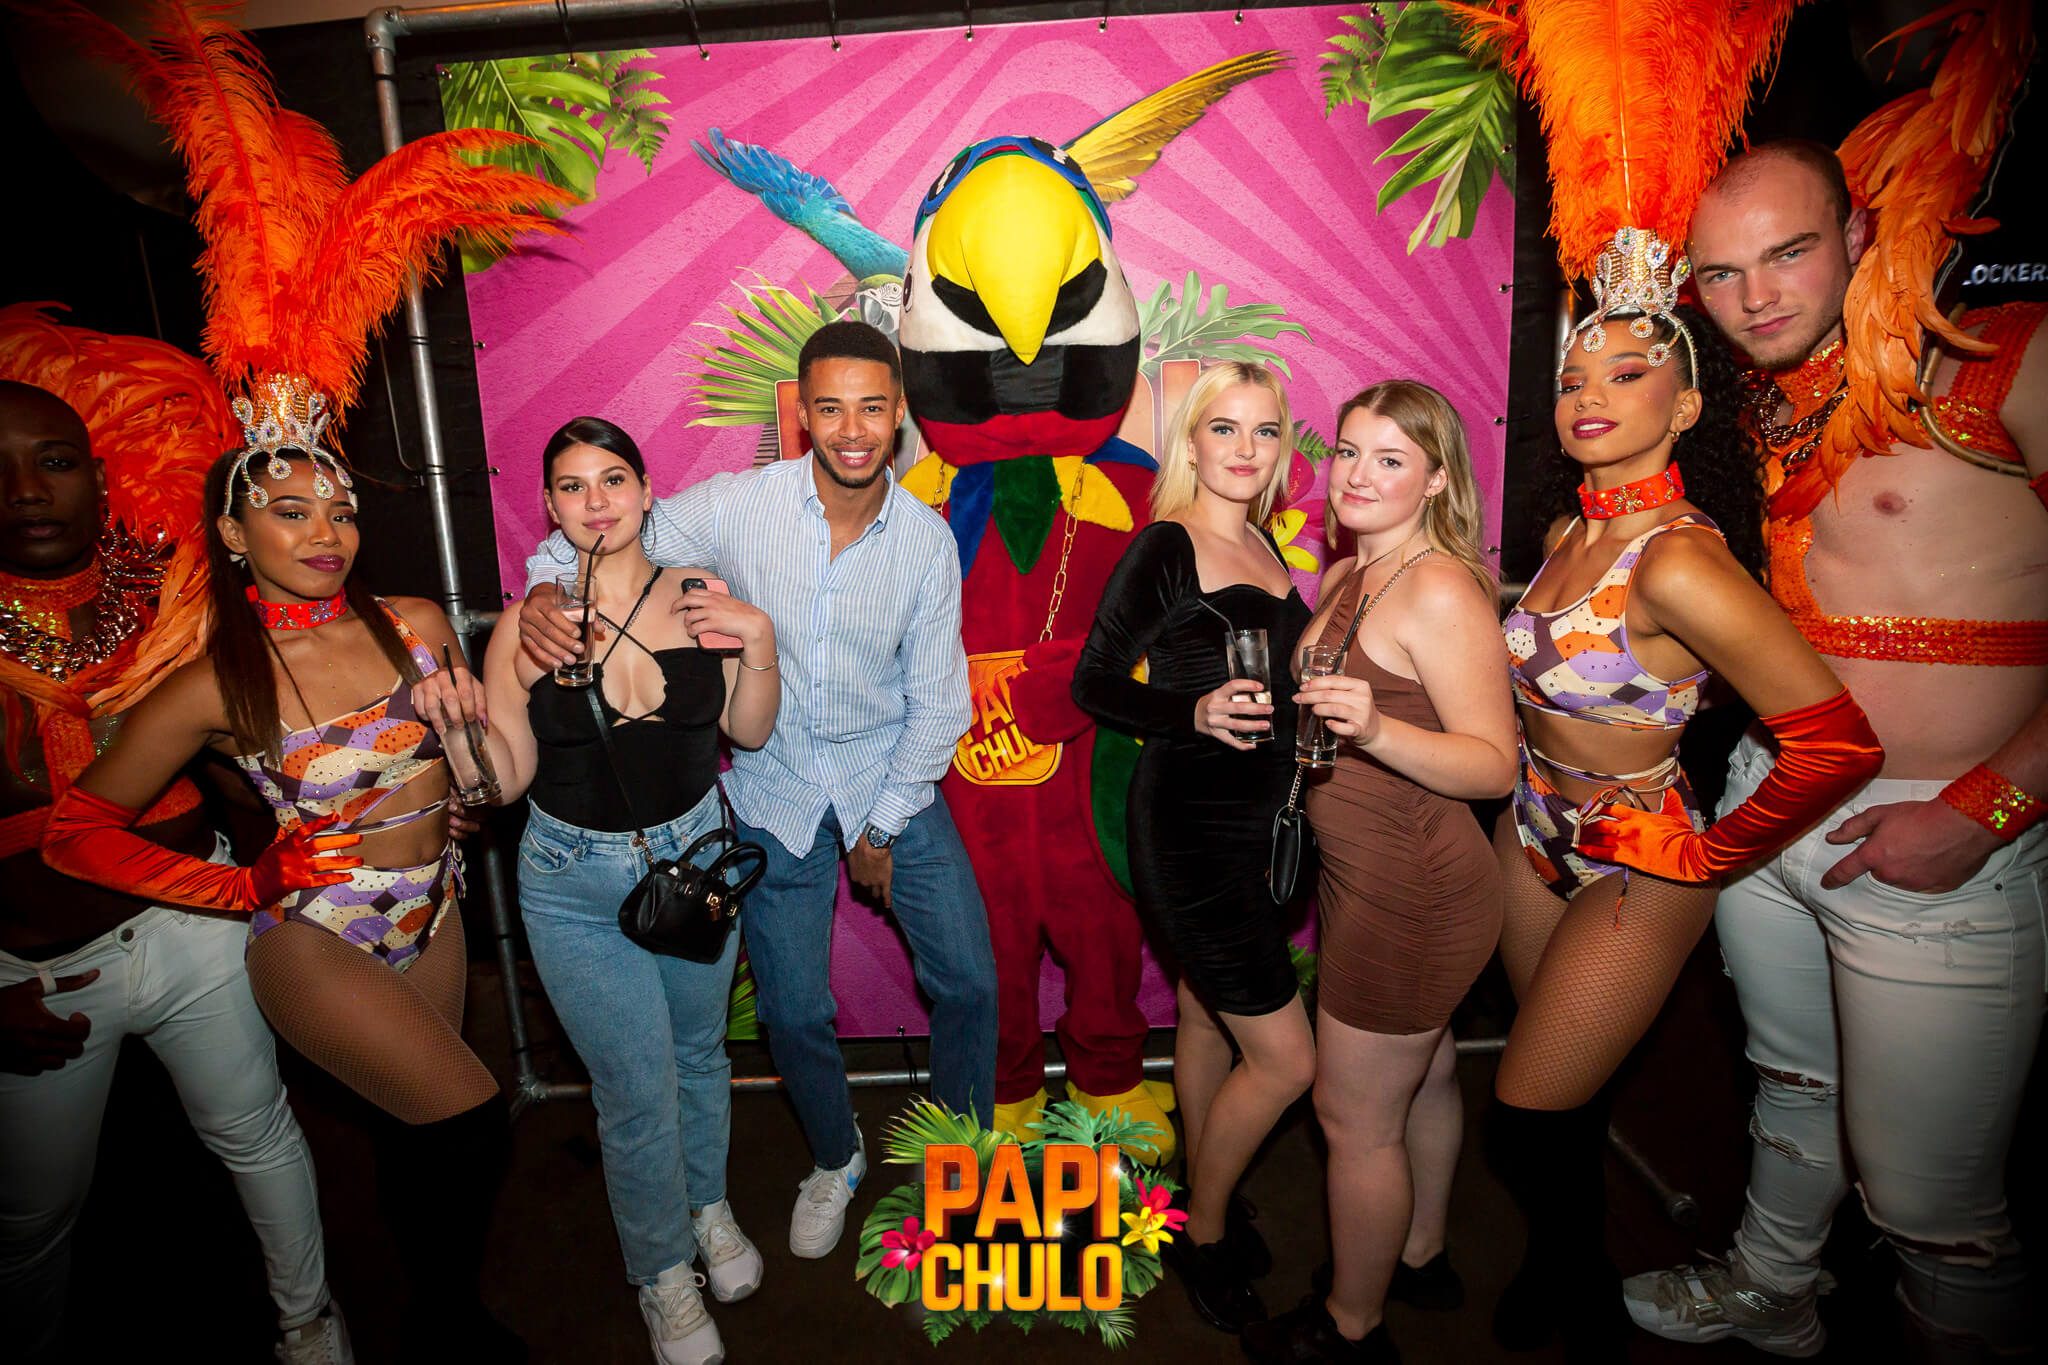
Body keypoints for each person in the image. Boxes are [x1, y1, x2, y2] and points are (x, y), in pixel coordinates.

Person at [1621, 136, 2047, 1360]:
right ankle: (1771, 1289)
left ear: (1858, 234)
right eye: (1718, 273)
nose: (1754, 296)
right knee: (1790, 1090)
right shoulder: (1735, 400)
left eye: (1788, 253)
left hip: (1941, 843)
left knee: (1929, 1207)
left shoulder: (1998, 352)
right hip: (1767, 810)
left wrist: (1985, 811)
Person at [40, 419, 522, 1361]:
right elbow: (75, 832)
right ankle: (439, 1322)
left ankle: (441, 1313)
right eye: (291, 512)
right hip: (319, 936)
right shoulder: (214, 683)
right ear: (233, 533)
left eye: (341, 512)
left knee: (415, 1133)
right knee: (470, 1123)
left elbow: (474, 771)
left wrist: (461, 784)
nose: (326, 534)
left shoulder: (416, 622)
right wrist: (240, 882)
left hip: (434, 906)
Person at [518, 321, 995, 1262]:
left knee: (971, 981)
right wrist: (542, 584)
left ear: (899, 413)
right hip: (776, 787)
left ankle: (958, 1168)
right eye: (831, 408)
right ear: (804, 414)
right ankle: (836, 1155)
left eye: (872, 407)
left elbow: (940, 703)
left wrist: (883, 826)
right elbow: (612, 528)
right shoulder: (741, 505)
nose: (852, 429)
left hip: (891, 777)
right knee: (792, 1010)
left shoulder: (927, 542)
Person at [1490, 265, 1884, 1360]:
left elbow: (1838, 742)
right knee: (1560, 1091)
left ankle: (1583, 1291)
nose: (1588, 395)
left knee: (1522, 1109)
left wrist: (1713, 854)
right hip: (1530, 831)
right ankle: (1564, 1266)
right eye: (1573, 377)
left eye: (1627, 373)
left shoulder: (1676, 560)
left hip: (1636, 862)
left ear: (1686, 405)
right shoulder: (1567, 530)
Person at [414, 417, 778, 1365]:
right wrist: (459, 734)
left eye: (613, 479)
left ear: (648, 492)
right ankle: (660, 1272)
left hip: (693, 866)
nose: (596, 501)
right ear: (549, 506)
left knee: (699, 1054)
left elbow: (750, 730)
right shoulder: (527, 628)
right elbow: (504, 782)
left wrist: (761, 642)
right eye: (572, 486)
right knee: (635, 1088)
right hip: (573, 881)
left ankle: (707, 1207)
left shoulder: (700, 598)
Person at [0, 370, 347, 1364]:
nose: (27, 490)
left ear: (100, 477)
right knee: (33, 1215)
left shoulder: (172, 598)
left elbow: (235, 756)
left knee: (258, 1134)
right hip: (39, 978)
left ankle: (311, 1326)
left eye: (54, 461)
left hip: (201, 936)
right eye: (0, 471)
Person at [1242, 381, 1516, 1365]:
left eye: (1389, 459)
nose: (1356, 475)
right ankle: (1419, 1253)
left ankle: (1351, 1328)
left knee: (1352, 1118)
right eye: (1349, 452)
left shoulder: (1438, 587)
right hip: (1368, 874)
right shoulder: (1355, 564)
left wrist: (1375, 729)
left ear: (1436, 479)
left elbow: (1494, 765)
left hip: (1415, 891)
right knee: (1426, 1074)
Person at [1069, 362, 1311, 1333]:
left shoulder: (1262, 541)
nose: (1245, 449)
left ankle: (1196, 1180)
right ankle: (1202, 1235)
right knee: (1286, 1060)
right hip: (1189, 826)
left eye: (1264, 430)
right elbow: (1092, 681)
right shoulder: (1167, 544)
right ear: (1192, 442)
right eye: (1224, 428)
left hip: (1260, 824)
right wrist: (1191, 709)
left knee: (1208, 1018)